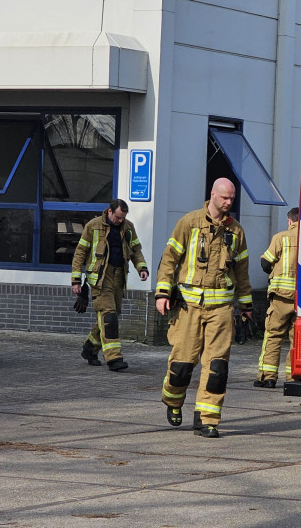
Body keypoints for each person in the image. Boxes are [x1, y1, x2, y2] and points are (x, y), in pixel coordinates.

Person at [155, 178, 253, 438]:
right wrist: (163, 292)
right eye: (224, 198)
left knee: (217, 367)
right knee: (183, 365)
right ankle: (173, 399)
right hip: (188, 308)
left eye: (232, 198)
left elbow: (242, 272)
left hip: (221, 310)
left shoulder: (237, 232)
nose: (229, 203)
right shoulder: (189, 222)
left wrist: (246, 306)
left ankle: (207, 419)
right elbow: (169, 259)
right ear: (212, 195)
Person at [71, 199, 150, 372]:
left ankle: (89, 349)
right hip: (100, 279)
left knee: (109, 317)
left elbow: (136, 250)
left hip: (119, 277)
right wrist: (76, 279)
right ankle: (114, 358)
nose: (120, 221)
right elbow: (80, 253)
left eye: (123, 217)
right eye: (118, 217)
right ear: (109, 211)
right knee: (108, 316)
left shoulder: (128, 227)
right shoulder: (93, 226)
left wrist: (141, 268)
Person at [254, 207, 298, 388]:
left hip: (281, 296)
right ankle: (294, 377)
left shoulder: (281, 238)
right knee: (298, 339)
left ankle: (268, 377)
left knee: (273, 335)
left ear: (290, 221)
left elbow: (265, 262)